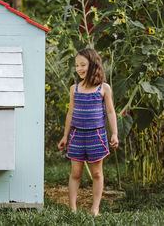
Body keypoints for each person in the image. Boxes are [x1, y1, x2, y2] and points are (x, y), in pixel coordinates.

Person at [58, 47, 118, 216]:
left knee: (97, 173)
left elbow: (111, 112)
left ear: (93, 64)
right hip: (77, 135)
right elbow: (70, 113)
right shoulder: (74, 89)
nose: (79, 69)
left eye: (83, 64)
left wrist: (114, 133)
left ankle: (95, 209)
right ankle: (72, 209)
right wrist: (65, 136)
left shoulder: (104, 88)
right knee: (76, 173)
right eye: (77, 65)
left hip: (96, 135)